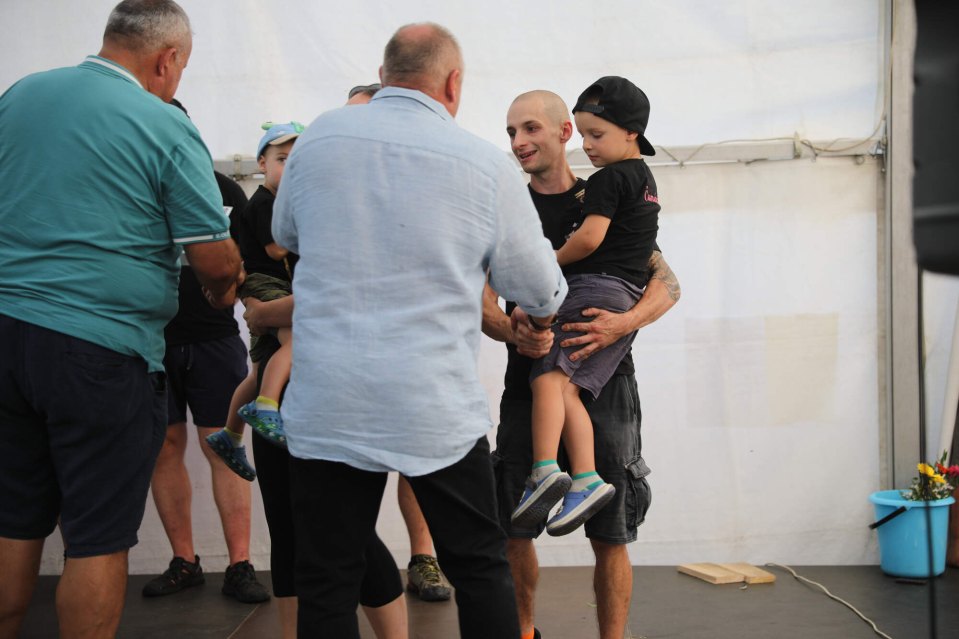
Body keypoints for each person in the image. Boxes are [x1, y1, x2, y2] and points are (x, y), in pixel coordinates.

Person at [272, 23, 567, 638]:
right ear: (453, 83)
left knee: (326, 577)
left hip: (331, 397)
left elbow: (287, 233)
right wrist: (535, 323)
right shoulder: (483, 164)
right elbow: (540, 285)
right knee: (479, 567)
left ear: (384, 77)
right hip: (431, 401)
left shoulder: (320, 136)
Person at [0, 1, 244, 637]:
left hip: (7, 331)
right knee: (97, 535)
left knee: (13, 521)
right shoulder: (162, 123)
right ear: (167, 59)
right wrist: (226, 287)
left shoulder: (22, 94)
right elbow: (214, 259)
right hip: (98, 348)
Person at [486, 89, 681, 639]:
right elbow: (480, 299)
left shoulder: (604, 193)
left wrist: (621, 324)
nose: (519, 142)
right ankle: (525, 632)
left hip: (607, 380)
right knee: (515, 525)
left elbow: (667, 284)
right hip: (527, 380)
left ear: (563, 131)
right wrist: (513, 332)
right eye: (511, 132)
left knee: (611, 531)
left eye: (530, 128)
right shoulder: (507, 211)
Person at [512, 77, 661, 538]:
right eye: (511, 132)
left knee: (547, 379)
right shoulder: (643, 180)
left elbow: (593, 240)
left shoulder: (603, 183)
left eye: (596, 134)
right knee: (566, 391)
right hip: (620, 292)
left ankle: (545, 471)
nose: (588, 145)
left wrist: (548, 263)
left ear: (631, 132)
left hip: (595, 293)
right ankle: (585, 478)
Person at [142, 144, 268, 603]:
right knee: (164, 447)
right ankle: (184, 561)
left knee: (223, 446)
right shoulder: (136, 186)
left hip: (214, 339)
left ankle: (240, 564)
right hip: (151, 338)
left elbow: (248, 263)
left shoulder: (224, 190)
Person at [345, 80, 453, 603]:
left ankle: (423, 558)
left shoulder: (421, 179)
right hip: (346, 359)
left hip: (413, 354)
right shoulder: (330, 183)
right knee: (348, 483)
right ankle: (363, 567)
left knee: (418, 460)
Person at [206, 122, 303, 477]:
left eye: (297, 160)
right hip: (266, 284)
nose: (290, 167)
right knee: (296, 341)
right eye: (282, 159)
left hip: (274, 286)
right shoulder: (264, 203)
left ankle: (230, 434)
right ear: (261, 163)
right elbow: (276, 249)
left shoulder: (280, 203)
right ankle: (266, 405)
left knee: (262, 365)